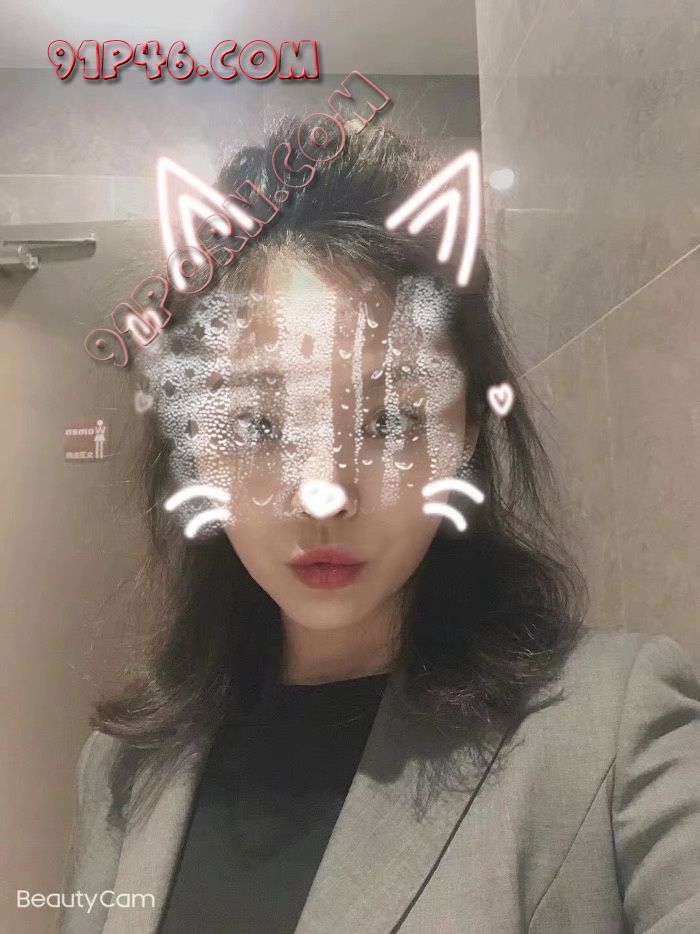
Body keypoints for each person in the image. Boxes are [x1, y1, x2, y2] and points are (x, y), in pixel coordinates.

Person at [58, 119, 700, 934]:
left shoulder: (614, 731)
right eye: (258, 425)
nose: (324, 494)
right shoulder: (123, 769)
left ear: (467, 430)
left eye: (390, 421)